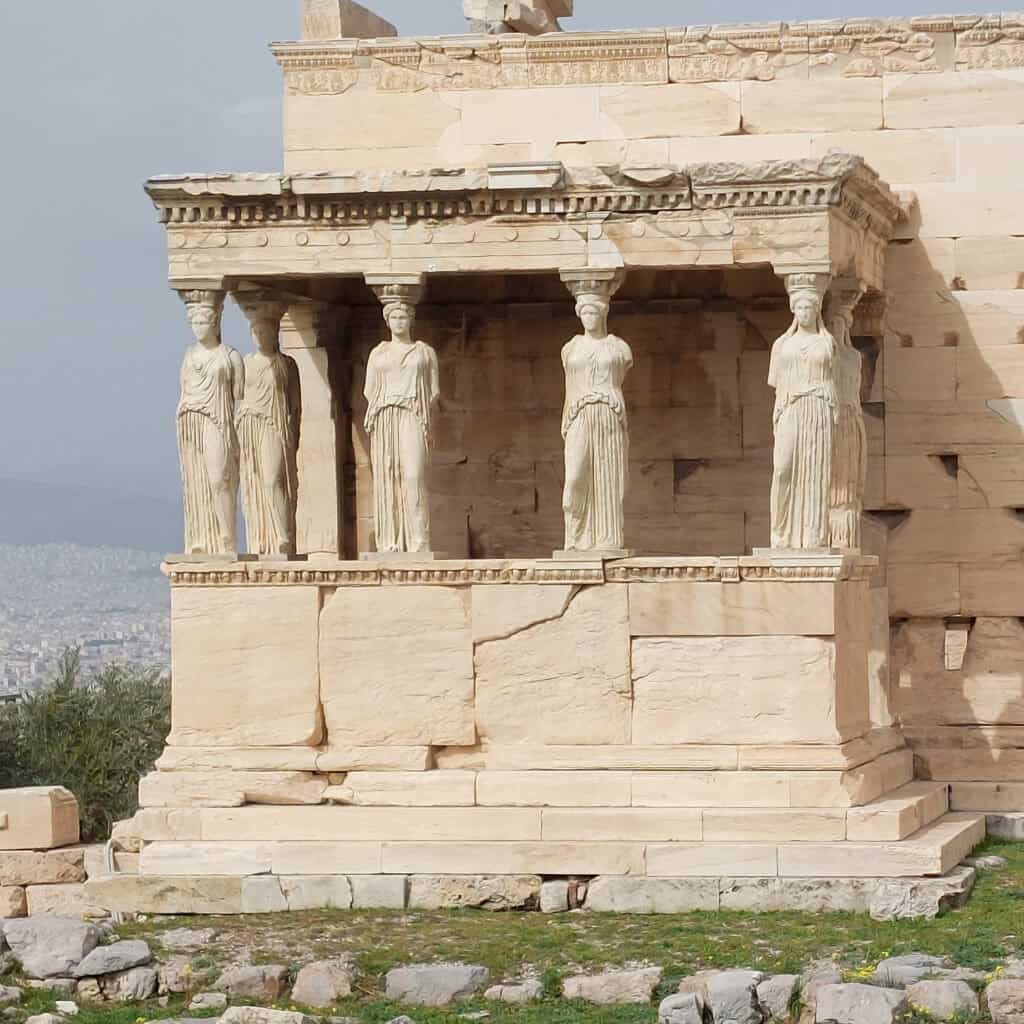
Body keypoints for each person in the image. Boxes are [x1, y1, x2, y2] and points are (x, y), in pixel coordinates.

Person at [364, 300, 440, 553]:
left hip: (413, 415)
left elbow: (433, 391)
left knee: (413, 475)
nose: (399, 321)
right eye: (394, 317)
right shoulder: (378, 353)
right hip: (385, 417)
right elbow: (369, 390)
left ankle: (419, 540)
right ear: (387, 321)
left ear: (411, 320)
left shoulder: (424, 352)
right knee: (388, 476)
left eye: (403, 316)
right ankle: (390, 542)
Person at [561, 292, 634, 552]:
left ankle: (607, 539)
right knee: (574, 479)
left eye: (593, 312)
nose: (588, 318)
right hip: (579, 414)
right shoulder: (570, 348)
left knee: (608, 478)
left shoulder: (619, 348)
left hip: (608, 412)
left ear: (603, 314)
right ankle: (576, 538)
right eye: (584, 313)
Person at [768, 282, 837, 550]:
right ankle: (780, 530)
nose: (805, 312)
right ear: (793, 310)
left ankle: (813, 534)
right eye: (800, 307)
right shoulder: (782, 345)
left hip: (817, 408)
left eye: (809, 307)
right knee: (783, 468)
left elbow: (833, 379)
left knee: (815, 470)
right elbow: (776, 381)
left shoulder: (826, 342)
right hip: (791, 407)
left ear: (816, 310)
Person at [176, 290, 244, 556]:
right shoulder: (188, 356)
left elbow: (240, 398)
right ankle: (203, 539)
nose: (198, 328)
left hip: (219, 421)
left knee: (219, 478)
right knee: (197, 479)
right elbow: (184, 390)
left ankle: (228, 536)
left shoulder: (230, 357)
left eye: (203, 322)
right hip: (190, 419)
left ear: (215, 322)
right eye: (194, 322)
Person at [236, 299, 300, 556]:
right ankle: (262, 540)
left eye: (266, 331)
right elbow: (238, 398)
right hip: (249, 425)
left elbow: (296, 405)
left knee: (274, 479)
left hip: (275, 425)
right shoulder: (245, 363)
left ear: (276, 333)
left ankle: (283, 535)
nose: (261, 336)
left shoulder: (287, 364)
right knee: (255, 481)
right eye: (257, 331)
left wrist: (293, 434)